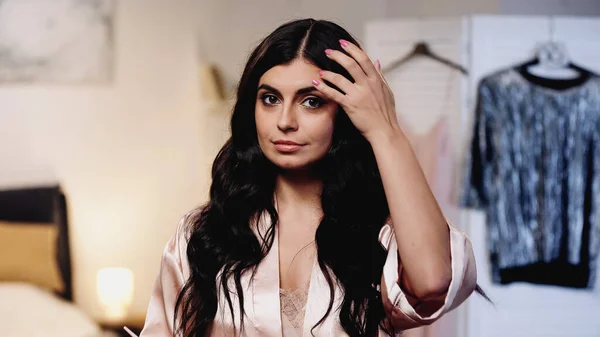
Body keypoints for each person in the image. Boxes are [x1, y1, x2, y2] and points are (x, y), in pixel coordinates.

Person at [139, 18, 480, 337]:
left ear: (344, 115)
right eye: (270, 99)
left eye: (311, 101)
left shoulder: (382, 236)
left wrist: (384, 129)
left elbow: (434, 282)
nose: (285, 120)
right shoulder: (202, 236)